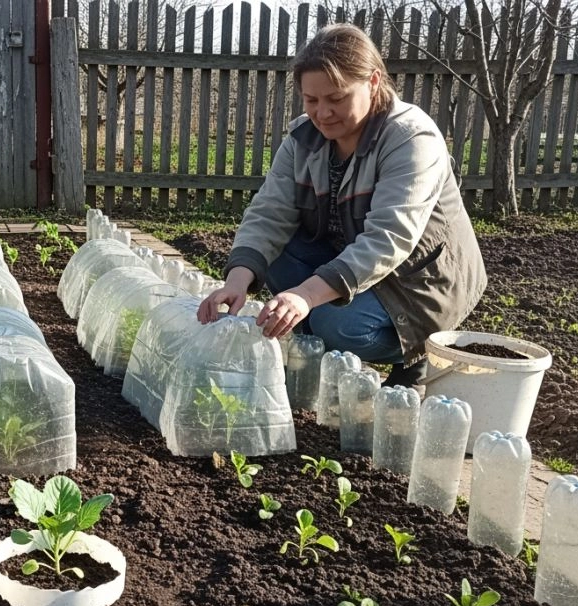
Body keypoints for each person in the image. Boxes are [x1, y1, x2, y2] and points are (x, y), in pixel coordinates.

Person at [197, 23, 487, 387]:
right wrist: (236, 281)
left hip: (419, 279)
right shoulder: (304, 138)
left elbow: (388, 238)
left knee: (336, 324)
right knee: (270, 259)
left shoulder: (411, 138)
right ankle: (314, 353)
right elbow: (269, 211)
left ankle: (417, 352)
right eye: (311, 100)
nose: (323, 113)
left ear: (373, 82)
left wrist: (306, 295)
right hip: (350, 258)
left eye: (336, 98)